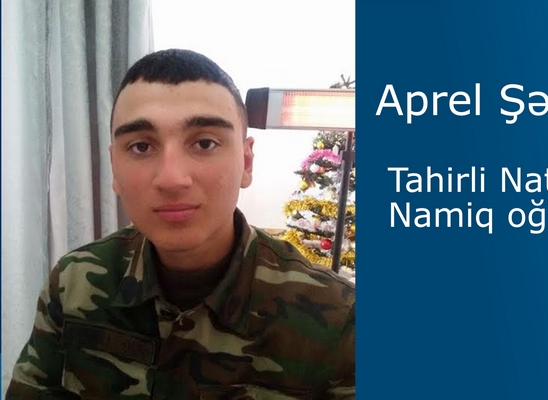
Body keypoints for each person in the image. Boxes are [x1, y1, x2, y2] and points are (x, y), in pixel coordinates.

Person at [6, 49, 356, 400]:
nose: (171, 179)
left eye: (205, 143)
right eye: (141, 147)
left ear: (246, 162)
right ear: (114, 167)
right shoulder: (74, 284)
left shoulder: (340, 320)